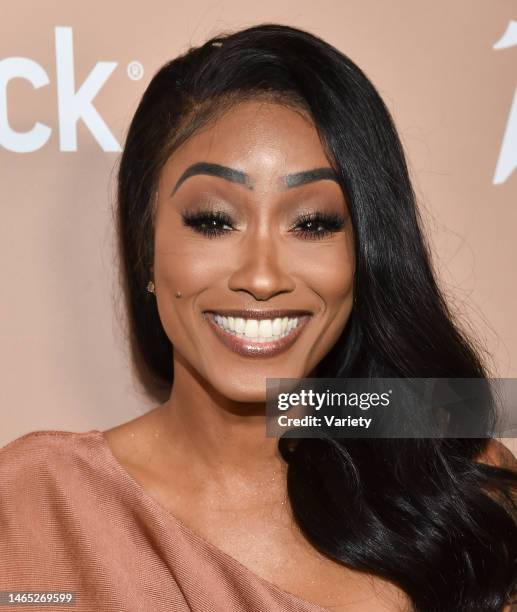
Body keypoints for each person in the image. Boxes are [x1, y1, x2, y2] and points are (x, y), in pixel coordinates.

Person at [1, 23, 516, 612]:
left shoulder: (457, 490)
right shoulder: (36, 503)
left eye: (313, 223)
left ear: (364, 255)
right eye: (214, 221)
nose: (263, 276)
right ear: (145, 248)